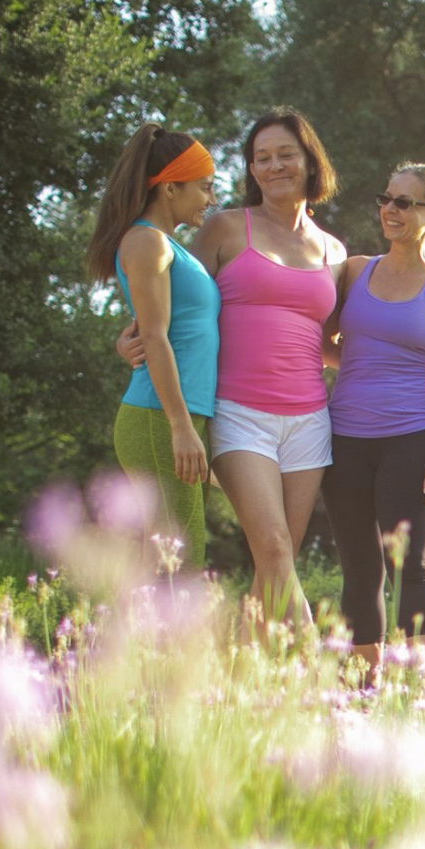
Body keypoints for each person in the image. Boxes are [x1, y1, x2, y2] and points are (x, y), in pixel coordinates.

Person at [120, 106, 346, 631]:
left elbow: (328, 342)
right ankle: (315, 677)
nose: (273, 166)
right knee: (271, 545)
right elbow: (173, 302)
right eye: (260, 158)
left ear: (311, 162)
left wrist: (405, 363)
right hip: (237, 412)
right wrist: (128, 336)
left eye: (285, 154)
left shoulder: (335, 252)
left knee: (278, 563)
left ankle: (244, 683)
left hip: (310, 420)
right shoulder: (224, 228)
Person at [324, 162, 425, 674]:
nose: (390, 210)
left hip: (412, 440)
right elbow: (316, 337)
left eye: (404, 203)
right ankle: (362, 694)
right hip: (343, 439)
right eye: (386, 198)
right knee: (360, 570)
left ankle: (415, 691)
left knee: (412, 565)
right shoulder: (353, 270)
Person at [85, 125, 219, 564]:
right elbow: (156, 335)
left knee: (169, 555)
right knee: (179, 557)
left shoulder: (165, 246)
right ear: (169, 187)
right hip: (158, 418)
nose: (210, 199)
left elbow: (157, 326)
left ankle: (134, 635)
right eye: (204, 187)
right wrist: (180, 427)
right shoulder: (147, 241)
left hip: (174, 416)